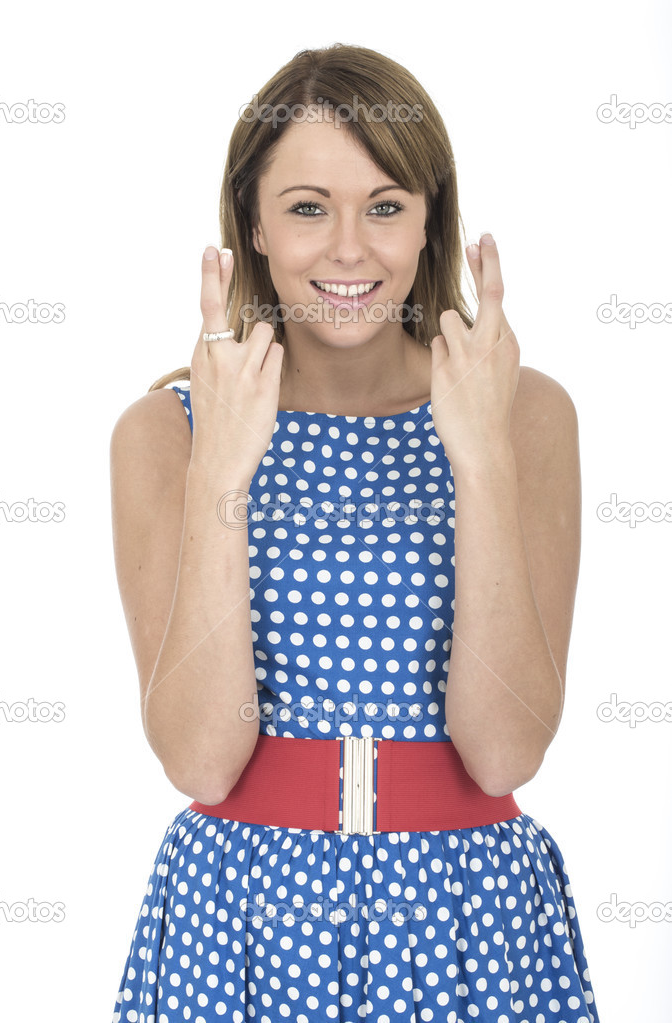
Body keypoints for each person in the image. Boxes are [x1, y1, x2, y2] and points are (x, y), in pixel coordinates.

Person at [109, 42, 600, 1023]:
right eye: (305, 208)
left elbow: (502, 751)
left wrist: (479, 460)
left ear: (429, 222)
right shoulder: (166, 430)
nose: (347, 249)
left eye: (383, 207)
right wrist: (225, 471)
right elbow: (201, 761)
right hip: (239, 916)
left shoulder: (525, 413)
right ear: (251, 222)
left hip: (471, 917)